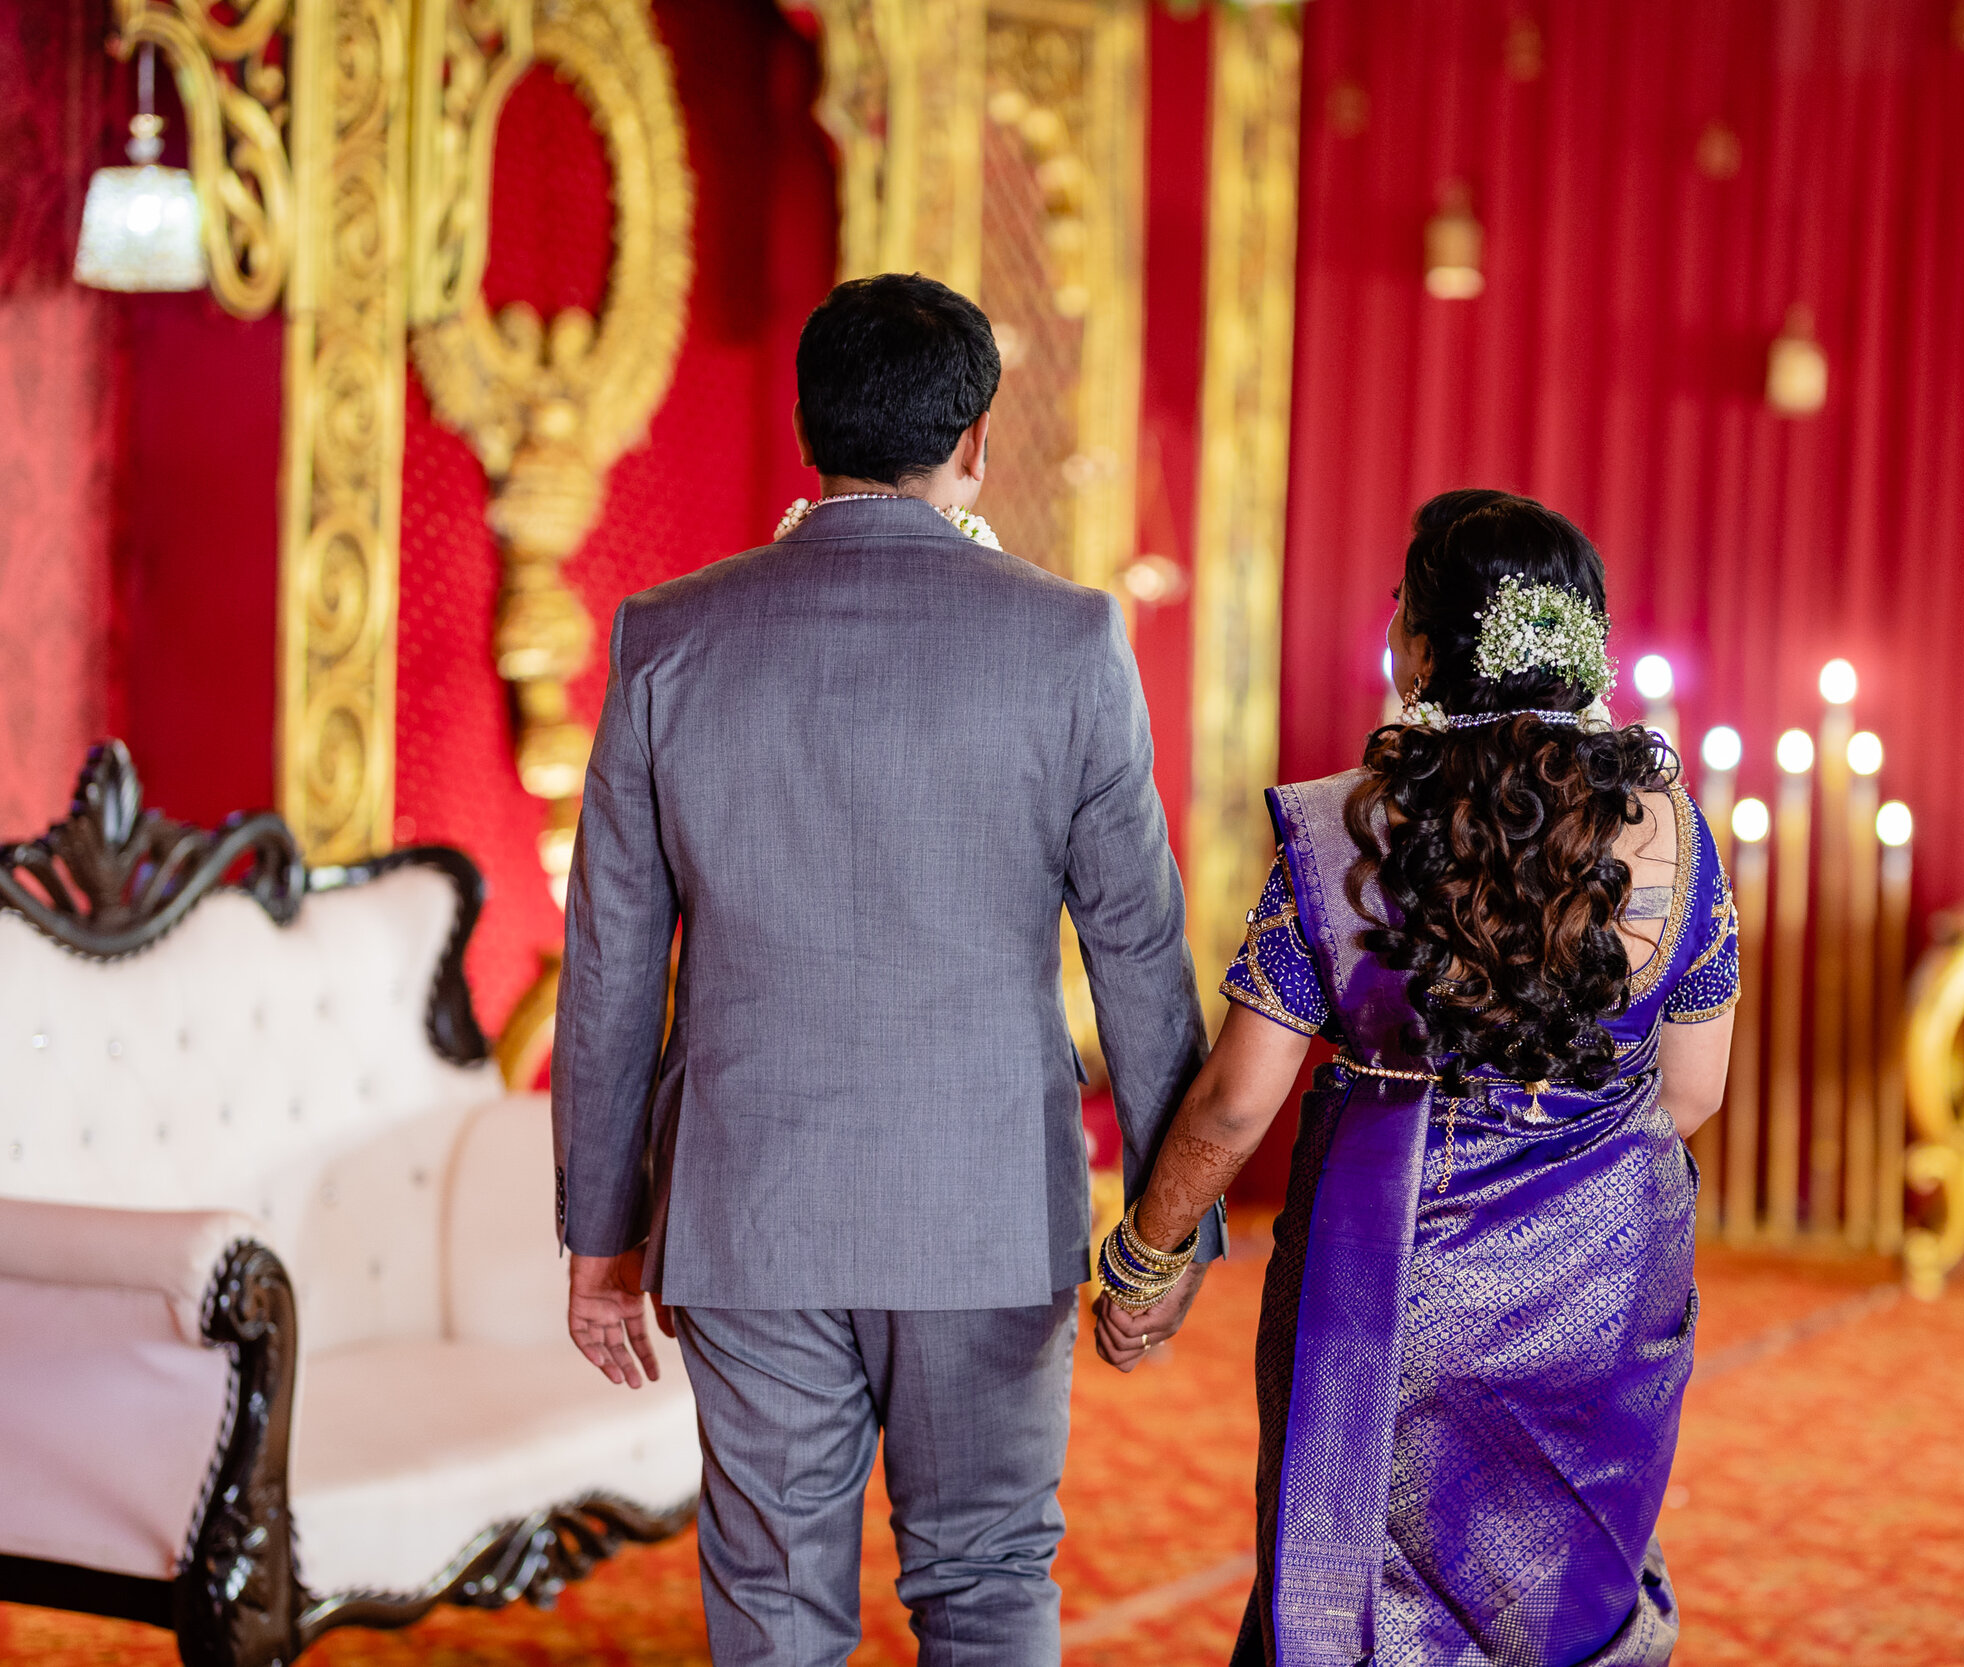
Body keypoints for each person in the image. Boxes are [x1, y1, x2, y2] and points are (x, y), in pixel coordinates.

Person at [552, 271, 1220, 1667]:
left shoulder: (669, 636)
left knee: (773, 1606)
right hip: (986, 1205)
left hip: (748, 1205)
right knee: (986, 1581)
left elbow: (612, 961)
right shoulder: (1069, 640)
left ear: (810, 430)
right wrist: (1166, 1235)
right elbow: (1139, 954)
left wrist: (601, 1229)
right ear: (974, 439)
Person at [1096, 490, 1737, 1666]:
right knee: (1561, 1605)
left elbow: (1238, 1098)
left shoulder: (1347, 831)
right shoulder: (1678, 836)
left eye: (1400, 606)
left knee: (1357, 1599)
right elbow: (1692, 1093)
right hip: (1605, 1277)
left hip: (1389, 1276)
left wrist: (1149, 1255)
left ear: (1428, 649)